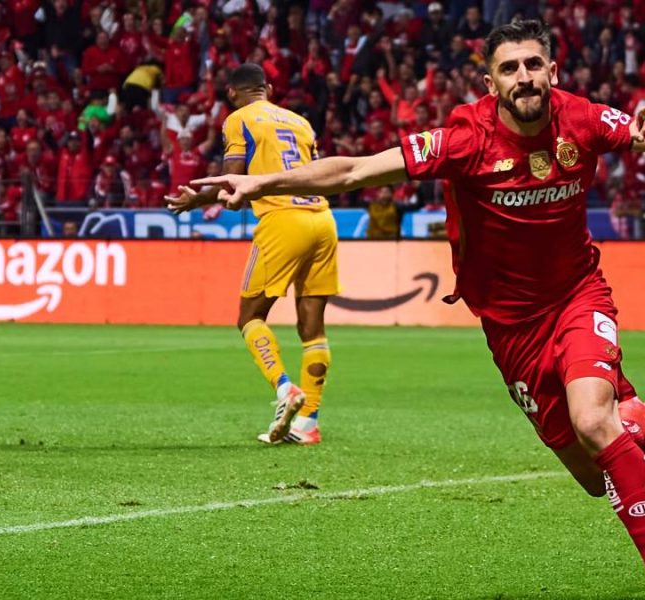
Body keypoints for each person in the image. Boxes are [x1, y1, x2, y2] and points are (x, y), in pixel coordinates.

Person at [193, 21, 645, 562]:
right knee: (596, 474)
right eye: (509, 69)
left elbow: (636, 130)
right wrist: (259, 182)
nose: (523, 78)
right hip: (510, 328)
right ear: (489, 83)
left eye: (532, 65)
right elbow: (356, 170)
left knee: (594, 420)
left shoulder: (585, 118)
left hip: (577, 296)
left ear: (552, 71)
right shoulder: (465, 141)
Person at [167, 64, 338, 446]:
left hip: (282, 221)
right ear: (269, 88)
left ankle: (284, 389)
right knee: (313, 327)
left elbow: (233, 178)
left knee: (250, 317)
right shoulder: (300, 122)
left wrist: (199, 199)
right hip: (323, 219)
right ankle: (308, 424)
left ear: (231, 93)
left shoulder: (238, 120)